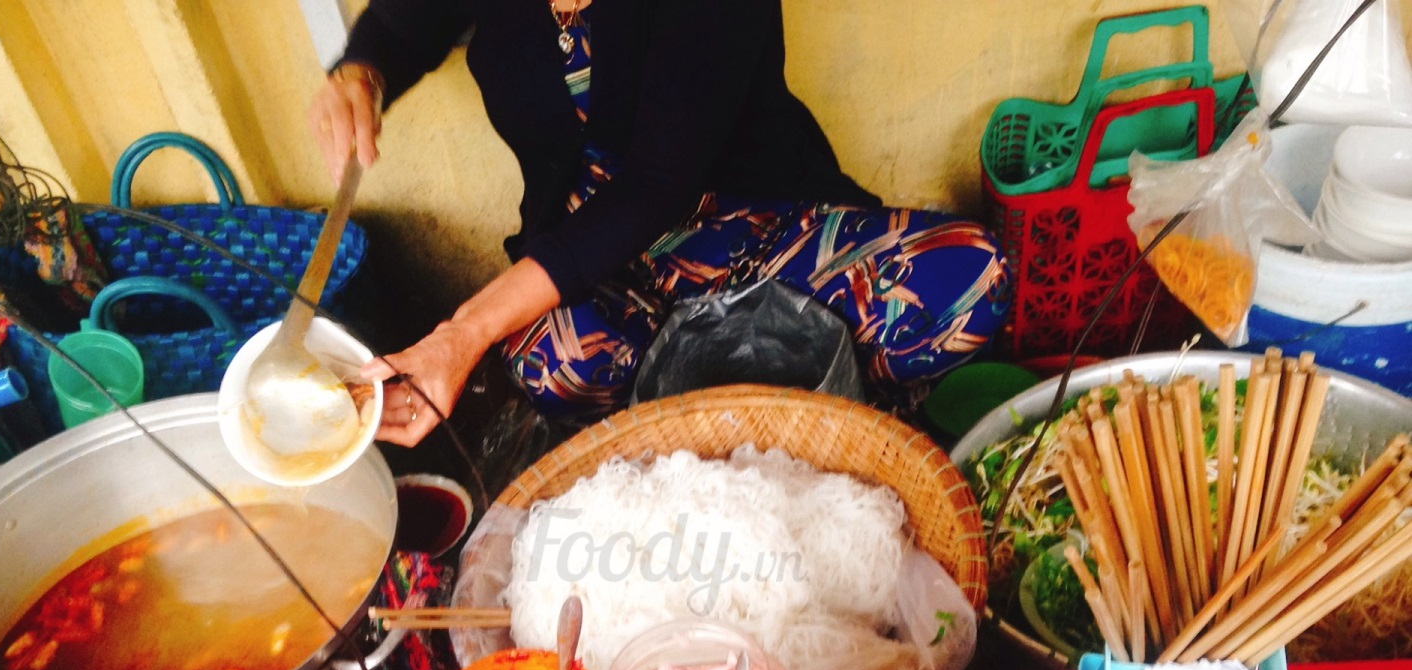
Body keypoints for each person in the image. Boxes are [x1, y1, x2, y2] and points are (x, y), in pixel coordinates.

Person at [312, 0, 1010, 448]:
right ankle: (723, 403)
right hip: (601, 256)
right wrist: (362, 75)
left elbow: (654, 184)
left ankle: (776, 404)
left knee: (972, 276)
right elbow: (399, 28)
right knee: (550, 360)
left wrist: (461, 334)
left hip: (766, 227)